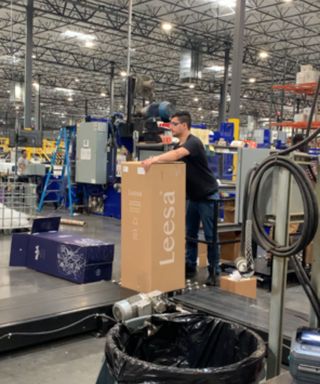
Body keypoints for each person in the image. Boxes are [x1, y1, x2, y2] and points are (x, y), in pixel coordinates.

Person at [142, 111, 220, 285]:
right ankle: (190, 266)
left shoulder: (193, 143)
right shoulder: (178, 145)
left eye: (174, 124)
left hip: (208, 196)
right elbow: (171, 157)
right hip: (193, 197)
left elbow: (176, 156)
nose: (171, 127)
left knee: (210, 236)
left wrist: (154, 159)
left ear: (184, 125)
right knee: (190, 234)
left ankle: (215, 271)